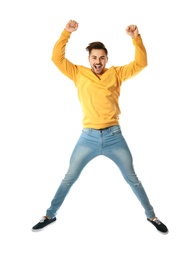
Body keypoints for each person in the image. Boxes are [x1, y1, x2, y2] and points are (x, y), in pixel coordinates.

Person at [32, 19, 168, 234]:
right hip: (88, 138)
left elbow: (141, 64)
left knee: (132, 178)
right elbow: (56, 58)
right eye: (94, 57)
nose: (98, 61)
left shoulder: (116, 73)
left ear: (106, 59)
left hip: (115, 136)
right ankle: (50, 214)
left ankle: (151, 215)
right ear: (89, 59)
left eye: (101, 57)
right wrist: (66, 33)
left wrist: (136, 39)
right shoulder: (78, 73)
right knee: (69, 178)